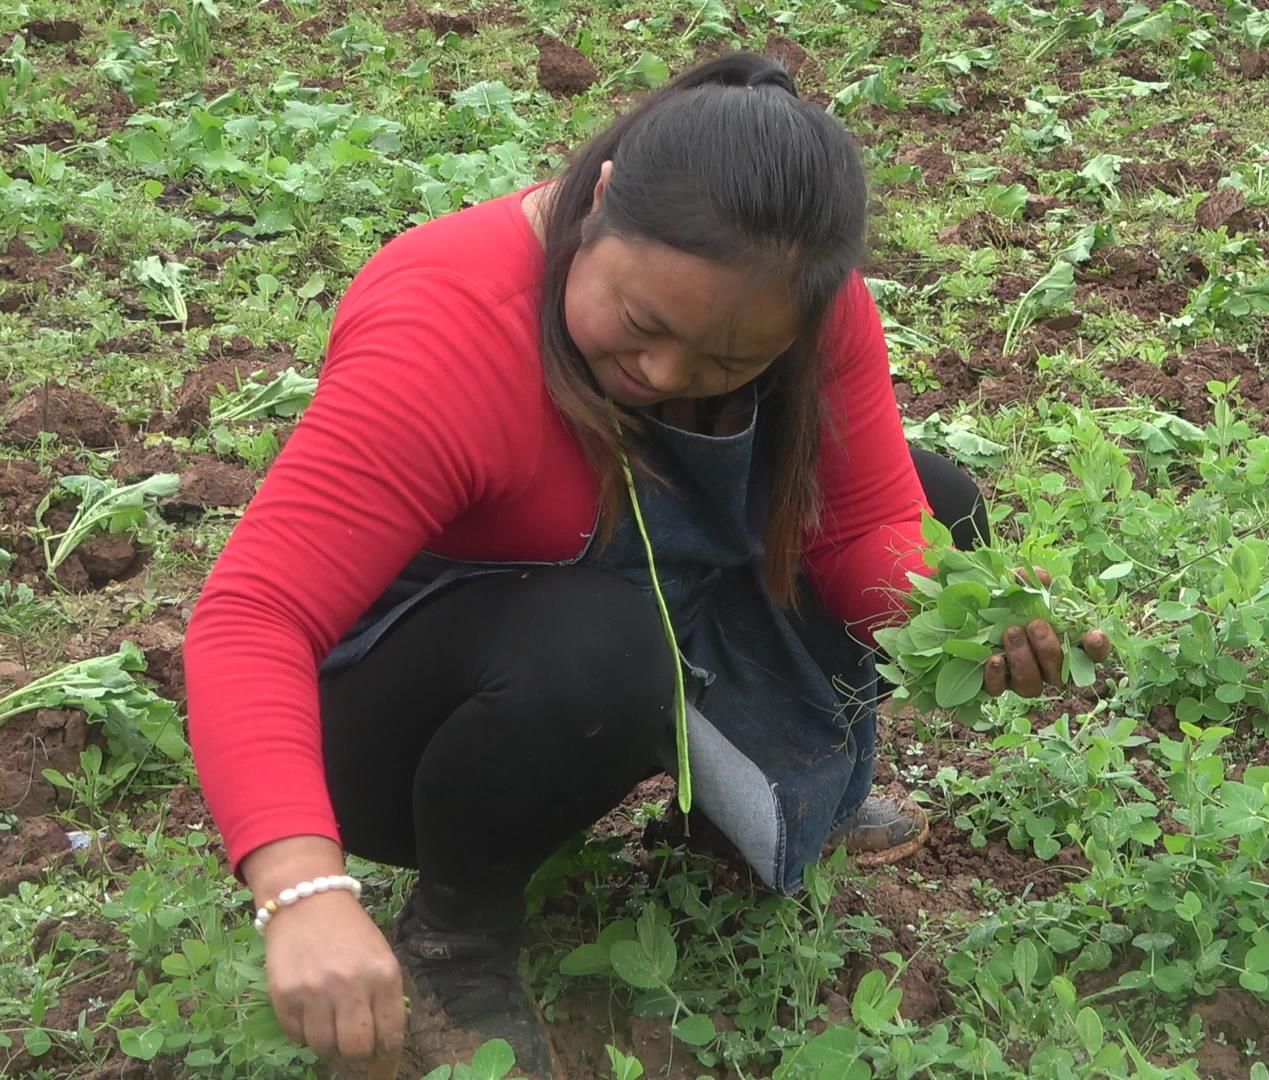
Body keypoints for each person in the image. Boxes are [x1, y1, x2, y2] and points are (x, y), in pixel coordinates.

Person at [184, 51, 1110, 1078]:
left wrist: (965, 622)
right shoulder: (448, 333)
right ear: (604, 199)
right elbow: (254, 616)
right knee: (601, 650)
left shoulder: (810, 300)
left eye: (726, 365)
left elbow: (862, 530)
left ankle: (737, 812)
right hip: (404, 714)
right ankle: (460, 937)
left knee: (943, 507)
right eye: (641, 325)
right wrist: (302, 889)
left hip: (653, 594)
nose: (664, 377)